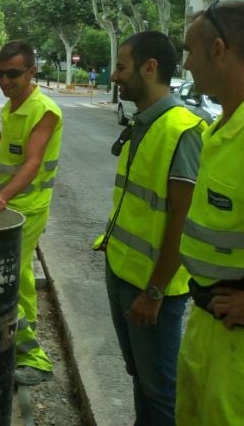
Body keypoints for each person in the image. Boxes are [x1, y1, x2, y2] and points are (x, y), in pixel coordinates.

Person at [94, 31, 204, 425]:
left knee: (159, 391)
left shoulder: (183, 130)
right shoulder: (144, 123)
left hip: (153, 290)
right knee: (141, 379)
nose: (113, 76)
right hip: (123, 273)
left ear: (150, 68)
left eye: (121, 67)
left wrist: (155, 291)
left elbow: (183, 222)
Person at [176, 0, 244, 425]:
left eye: (190, 51)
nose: (185, 64)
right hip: (205, 324)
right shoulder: (219, 131)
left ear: (217, 50)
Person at [0, 40, 62, 386]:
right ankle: (16, 345)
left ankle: (34, 359)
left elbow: (33, 162)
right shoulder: (12, 107)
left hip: (28, 207)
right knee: (20, 276)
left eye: (13, 74)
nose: (4, 81)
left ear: (31, 72)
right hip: (13, 205)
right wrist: (0, 195)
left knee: (9, 278)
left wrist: (3, 196)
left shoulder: (43, 110)